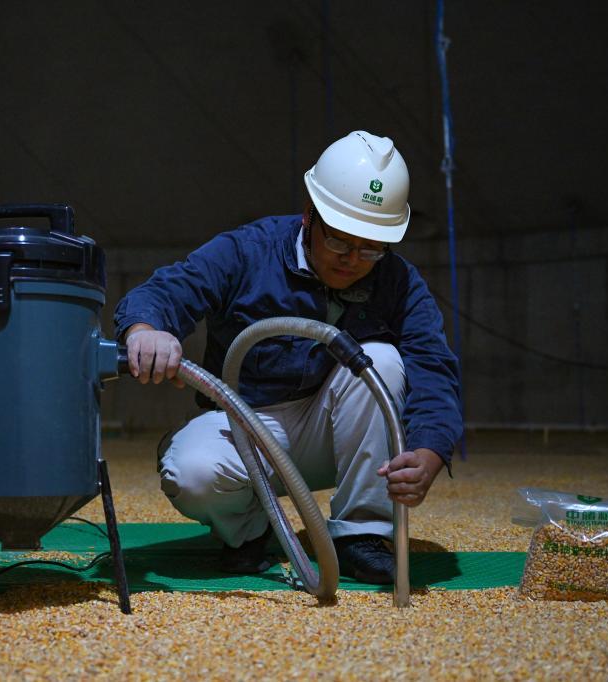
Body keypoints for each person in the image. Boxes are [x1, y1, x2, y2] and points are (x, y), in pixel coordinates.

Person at [114, 131, 462, 584]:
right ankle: (252, 531)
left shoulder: (398, 282)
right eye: (339, 241)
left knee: (381, 360)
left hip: (334, 431)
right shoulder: (247, 251)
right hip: (248, 429)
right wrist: (147, 329)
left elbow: (433, 368)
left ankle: (361, 534)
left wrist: (430, 450)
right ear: (309, 216)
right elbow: (169, 289)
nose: (353, 259)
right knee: (191, 471)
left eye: (371, 248)